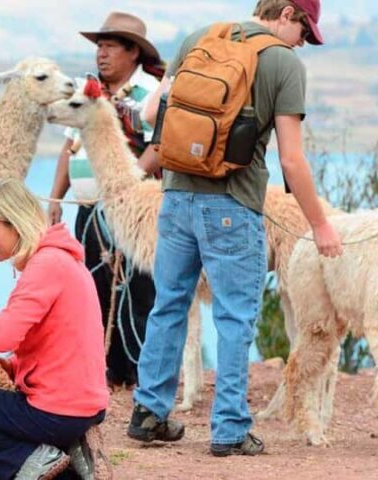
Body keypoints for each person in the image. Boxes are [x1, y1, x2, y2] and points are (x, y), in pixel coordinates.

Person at [128, 0, 343, 457]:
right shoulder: (283, 63)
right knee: (234, 316)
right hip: (231, 203)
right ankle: (228, 429)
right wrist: (320, 225)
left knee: (168, 305)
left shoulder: (201, 37)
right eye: (305, 32)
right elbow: (291, 158)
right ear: (287, 13)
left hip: (176, 197)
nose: (304, 43)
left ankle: (149, 414)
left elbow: (150, 116)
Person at [0, 179, 109, 480]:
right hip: (79, 401)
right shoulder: (63, 261)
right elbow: (56, 343)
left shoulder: (46, 265)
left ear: (15, 223)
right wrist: (13, 366)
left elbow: (3, 336)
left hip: (59, 409)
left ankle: (32, 460)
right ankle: (59, 462)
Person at [47, 11, 163, 390]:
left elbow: (158, 146)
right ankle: (103, 369)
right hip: (87, 210)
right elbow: (69, 147)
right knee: (92, 288)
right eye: (99, 46)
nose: (102, 53)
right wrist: (55, 196)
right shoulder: (89, 93)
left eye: (111, 46)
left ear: (133, 52)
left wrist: (129, 187)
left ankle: (137, 369)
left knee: (135, 287)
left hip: (131, 209)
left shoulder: (148, 93)